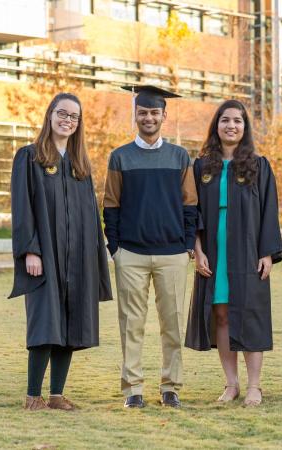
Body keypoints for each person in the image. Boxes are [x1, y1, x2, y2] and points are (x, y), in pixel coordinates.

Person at [9, 92, 113, 411]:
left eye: (73, 117)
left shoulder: (80, 165)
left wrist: (96, 257)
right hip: (46, 256)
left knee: (69, 323)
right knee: (45, 321)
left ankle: (56, 395)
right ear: (50, 114)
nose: (67, 120)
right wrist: (31, 250)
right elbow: (23, 208)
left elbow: (90, 217)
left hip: (78, 258)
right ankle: (32, 395)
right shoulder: (29, 157)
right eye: (62, 113)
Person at [103, 85, 198, 409]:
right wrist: (114, 247)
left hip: (172, 254)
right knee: (131, 325)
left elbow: (190, 204)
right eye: (142, 112)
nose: (148, 117)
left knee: (172, 325)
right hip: (130, 254)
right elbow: (111, 205)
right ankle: (133, 390)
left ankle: (171, 387)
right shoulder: (120, 157)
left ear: (163, 116)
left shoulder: (179, 156)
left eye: (154, 112)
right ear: (135, 115)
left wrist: (187, 245)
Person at [185, 100, 282, 407]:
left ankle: (255, 386)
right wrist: (197, 250)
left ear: (245, 127)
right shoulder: (201, 167)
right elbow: (193, 212)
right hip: (215, 249)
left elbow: (269, 210)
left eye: (238, 121)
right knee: (222, 314)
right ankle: (232, 384)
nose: (231, 125)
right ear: (216, 125)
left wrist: (267, 252)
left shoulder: (258, 164)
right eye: (225, 120)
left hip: (248, 248)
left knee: (250, 315)